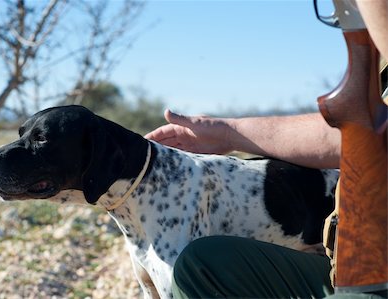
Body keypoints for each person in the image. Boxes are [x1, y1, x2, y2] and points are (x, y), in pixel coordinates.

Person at [145, 1, 388, 298]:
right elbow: (353, 135)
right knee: (203, 264)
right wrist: (226, 133)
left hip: (374, 274)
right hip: (348, 261)